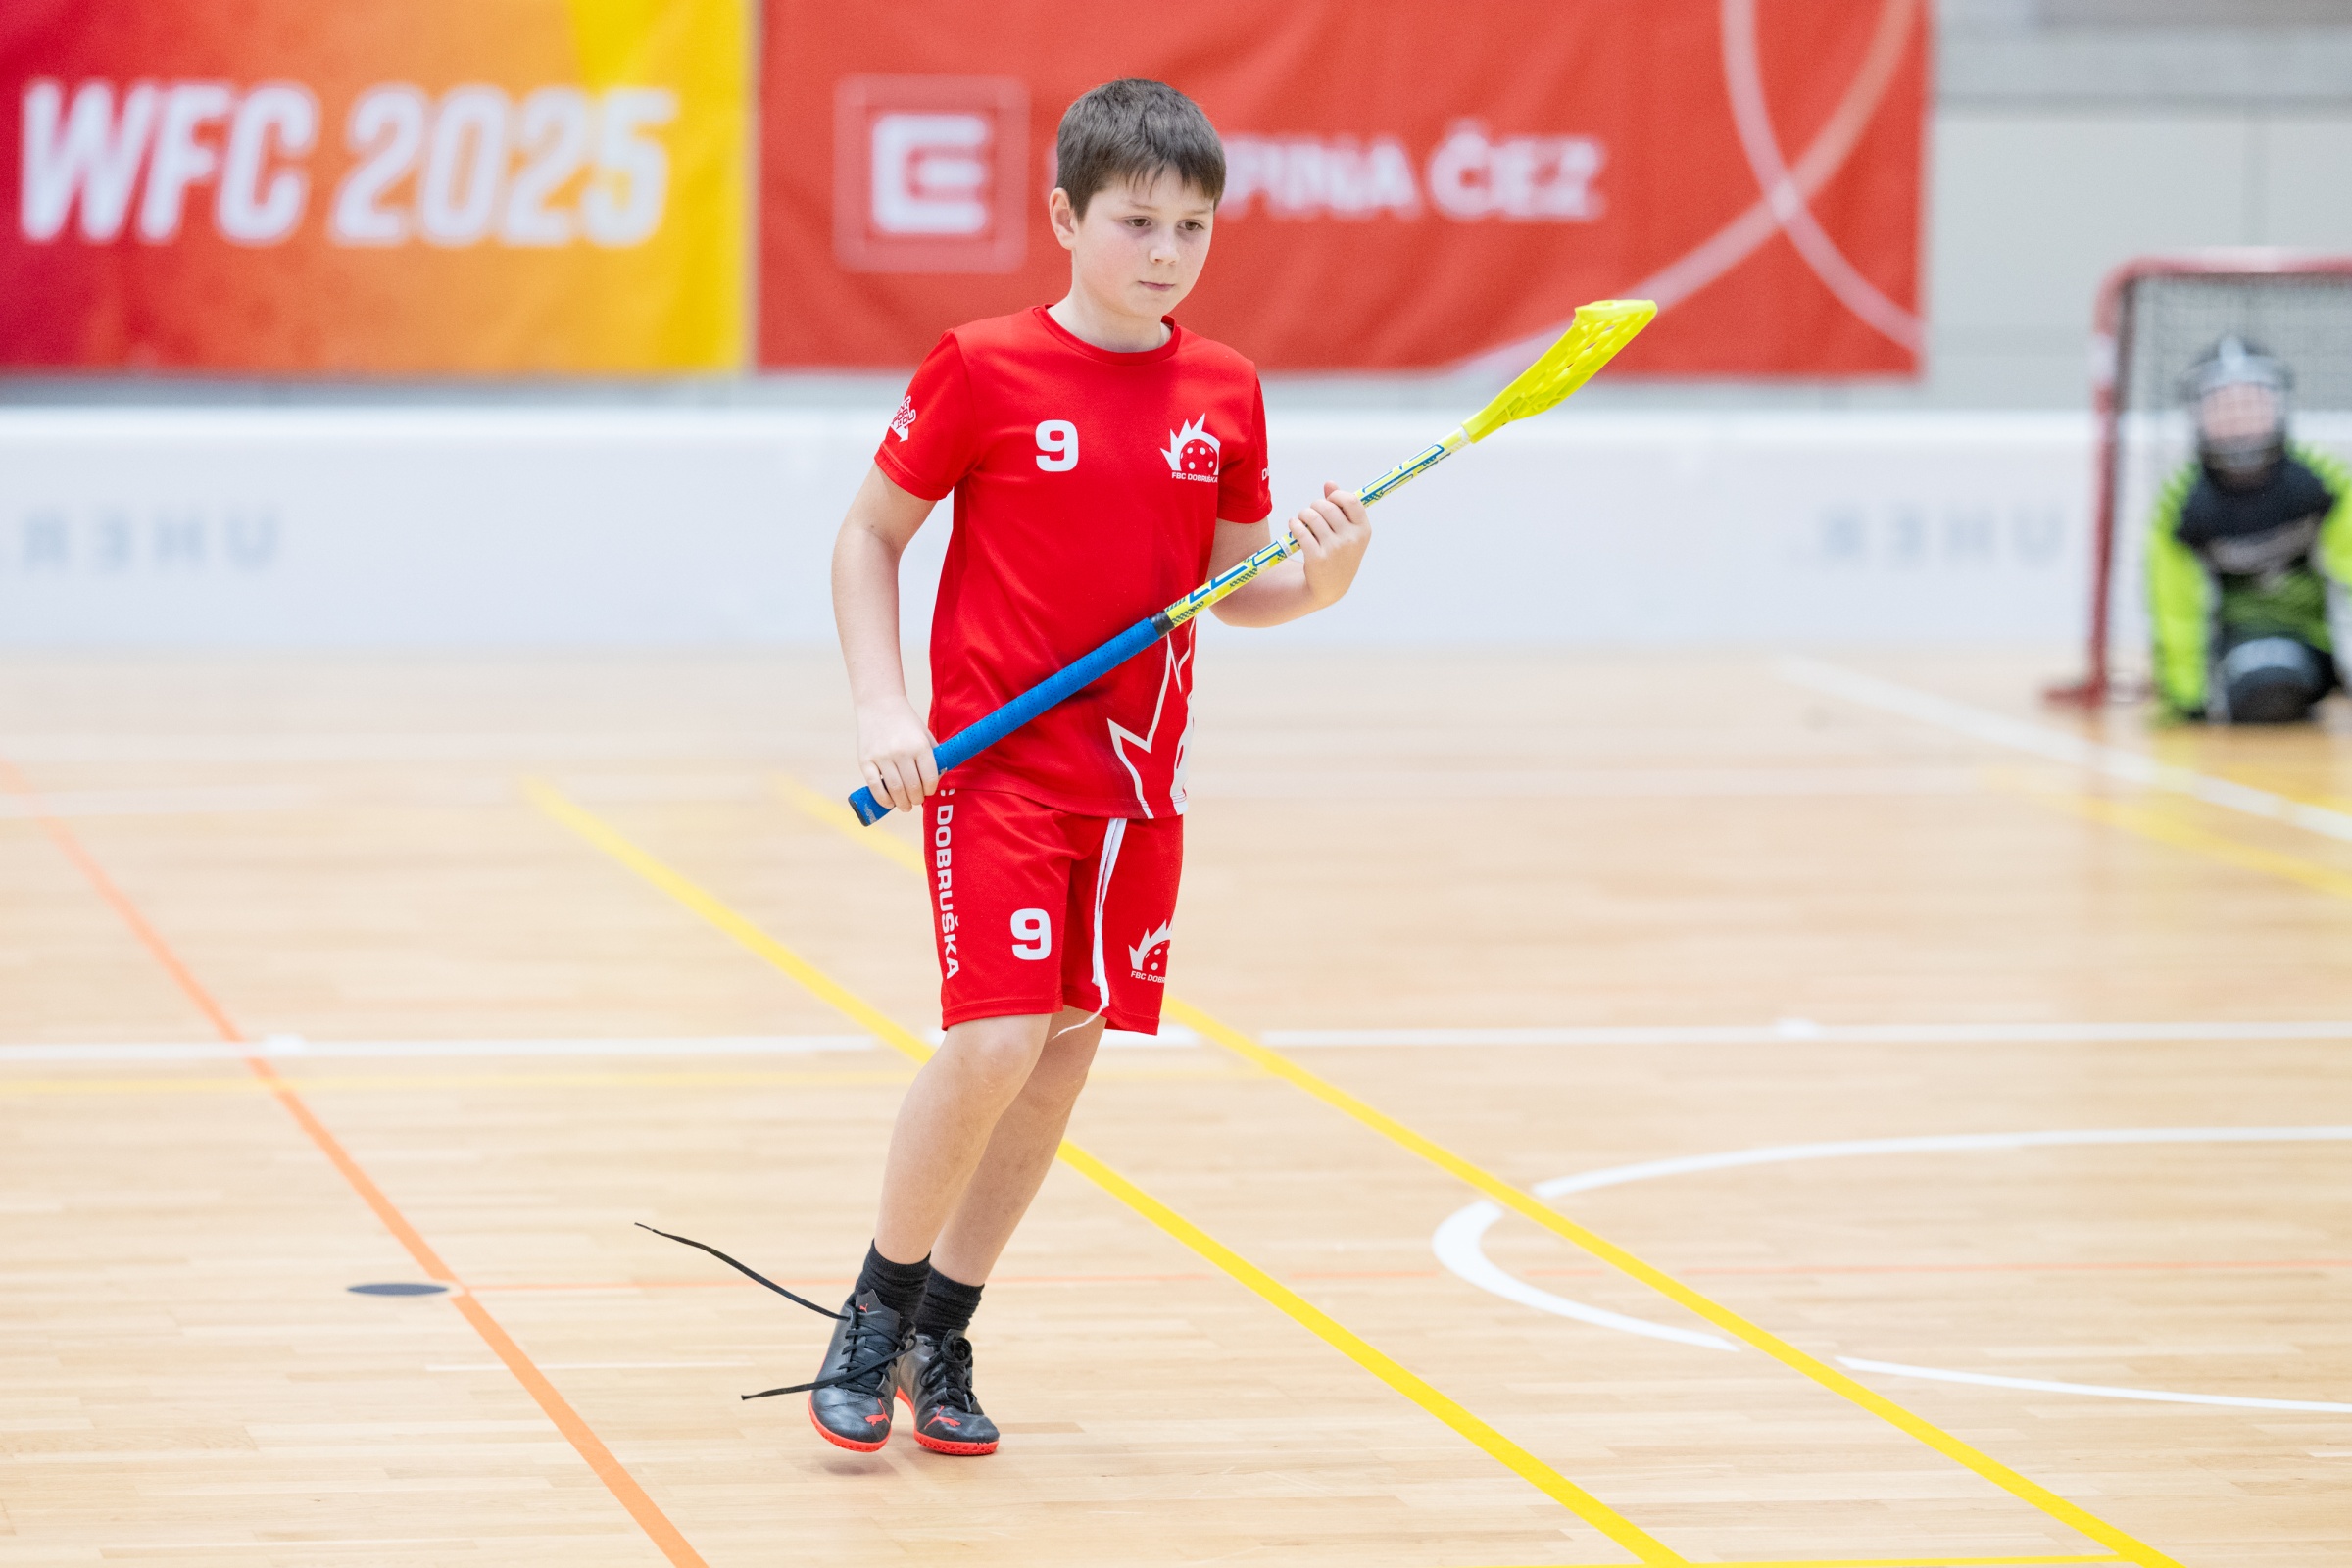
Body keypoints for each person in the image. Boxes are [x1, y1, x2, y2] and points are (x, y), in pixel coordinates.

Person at [816, 78, 1372, 1456]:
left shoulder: (1224, 391)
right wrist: (885, 707)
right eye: (1137, 221)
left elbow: (1231, 589)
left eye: (1192, 227)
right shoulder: (981, 367)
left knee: (1060, 1062)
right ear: (1065, 217)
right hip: (996, 772)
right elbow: (868, 536)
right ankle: (874, 1309)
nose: (1166, 252)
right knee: (995, 1040)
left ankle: (945, 1328)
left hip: (1136, 796)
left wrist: (1323, 584)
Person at [2147, 336, 2352, 722]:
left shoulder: (2323, 483)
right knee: (2269, 691)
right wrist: (2188, 699)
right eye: (2224, 407)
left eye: (2251, 404)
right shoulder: (2182, 506)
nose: (2239, 419)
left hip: (2318, 637)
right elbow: (2175, 611)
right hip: (2241, 641)